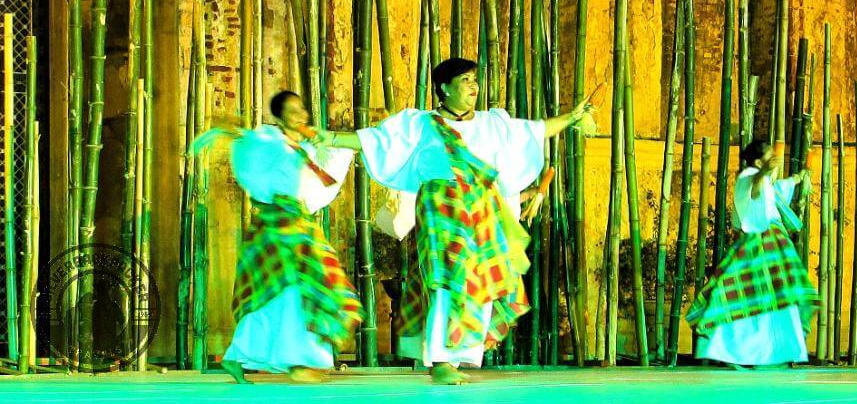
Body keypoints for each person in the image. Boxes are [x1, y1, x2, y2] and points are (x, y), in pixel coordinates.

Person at [317, 57, 590, 384]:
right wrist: (330, 139)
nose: (474, 86)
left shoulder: (492, 124)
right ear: (444, 88)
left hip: (479, 210)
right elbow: (375, 140)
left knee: (479, 284)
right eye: (465, 80)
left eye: (475, 80)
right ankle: (441, 359)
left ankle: (458, 355)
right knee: (448, 278)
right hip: (440, 208)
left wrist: (573, 117)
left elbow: (536, 130)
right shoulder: (420, 124)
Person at [195, 91, 361, 384]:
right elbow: (249, 142)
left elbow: (331, 164)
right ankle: (300, 362)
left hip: (298, 224)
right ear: (280, 116)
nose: (300, 116)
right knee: (298, 289)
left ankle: (239, 355)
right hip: (280, 226)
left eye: (302, 110)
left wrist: (353, 142)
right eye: (292, 111)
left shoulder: (305, 146)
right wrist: (231, 130)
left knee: (283, 293)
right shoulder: (270, 140)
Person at [687, 139, 820, 369]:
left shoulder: (764, 178)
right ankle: (737, 351)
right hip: (757, 243)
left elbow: (776, 190)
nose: (774, 160)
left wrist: (800, 176)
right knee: (745, 294)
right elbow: (756, 189)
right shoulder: (748, 176)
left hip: (774, 241)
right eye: (770, 157)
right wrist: (764, 173)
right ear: (758, 162)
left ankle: (771, 353)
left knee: (779, 295)